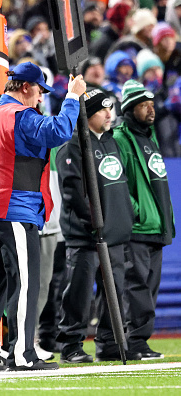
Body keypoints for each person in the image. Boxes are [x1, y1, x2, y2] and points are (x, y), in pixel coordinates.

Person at [0, 62, 85, 371]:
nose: (40, 98)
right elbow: (59, 131)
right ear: (26, 87)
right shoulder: (21, 116)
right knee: (24, 284)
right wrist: (72, 98)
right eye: (39, 91)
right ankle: (22, 354)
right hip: (13, 208)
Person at [56, 89, 138, 363]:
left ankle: (110, 343)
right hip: (85, 236)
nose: (109, 114)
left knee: (113, 292)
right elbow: (74, 193)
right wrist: (93, 224)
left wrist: (123, 218)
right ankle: (70, 345)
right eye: (102, 110)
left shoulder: (111, 142)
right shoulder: (73, 145)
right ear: (87, 115)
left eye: (110, 109)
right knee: (78, 293)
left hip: (114, 233)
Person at [113, 79, 175, 359]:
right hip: (137, 227)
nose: (151, 111)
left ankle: (139, 340)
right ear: (129, 109)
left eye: (152, 105)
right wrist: (136, 212)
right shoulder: (120, 139)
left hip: (156, 226)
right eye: (143, 106)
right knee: (137, 286)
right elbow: (119, 184)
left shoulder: (150, 137)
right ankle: (134, 342)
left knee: (148, 288)